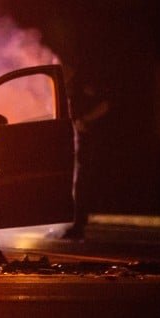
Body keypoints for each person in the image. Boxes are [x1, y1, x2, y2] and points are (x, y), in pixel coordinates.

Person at [62, 68, 110, 240]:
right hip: (77, 140)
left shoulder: (85, 79)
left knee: (81, 182)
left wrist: (85, 120)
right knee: (77, 183)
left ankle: (79, 225)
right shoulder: (73, 84)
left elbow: (105, 105)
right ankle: (77, 223)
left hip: (88, 140)